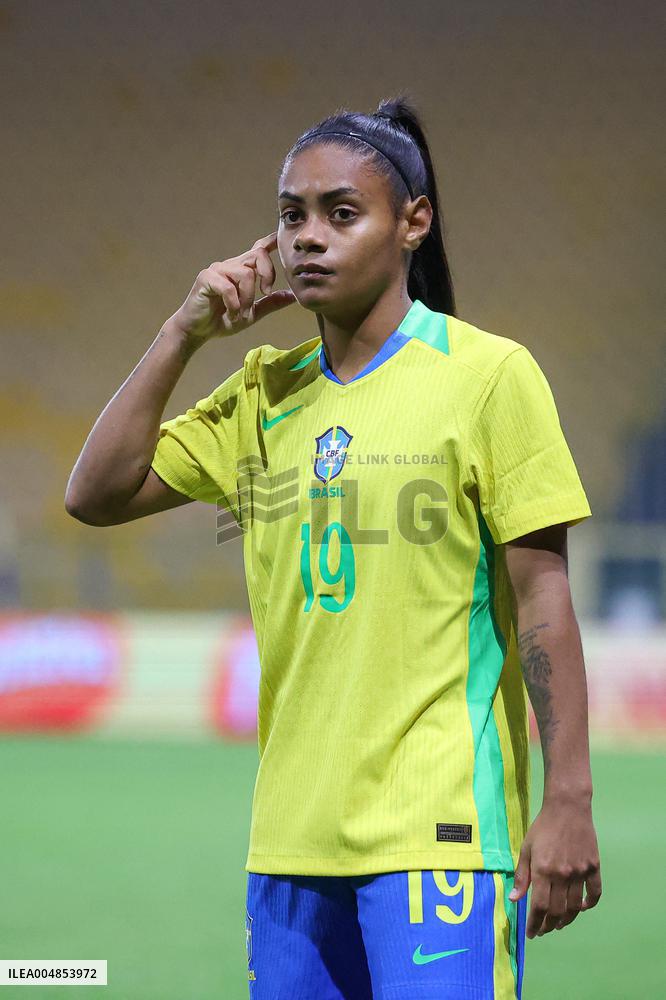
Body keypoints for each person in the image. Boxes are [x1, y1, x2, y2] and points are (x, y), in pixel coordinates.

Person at [65, 94, 602, 999]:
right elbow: (96, 493)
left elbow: (543, 597)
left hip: (441, 836)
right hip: (289, 843)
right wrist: (183, 331)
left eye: (340, 214)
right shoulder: (262, 393)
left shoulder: (489, 377)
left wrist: (569, 798)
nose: (308, 237)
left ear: (413, 224)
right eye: (291, 216)